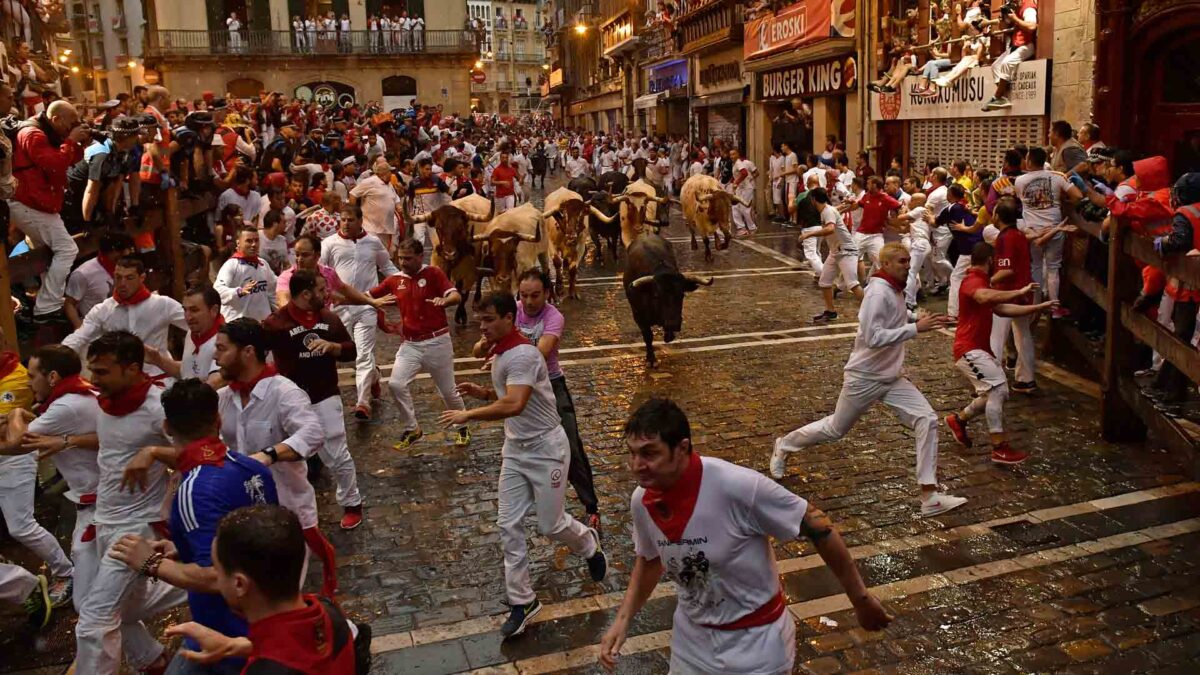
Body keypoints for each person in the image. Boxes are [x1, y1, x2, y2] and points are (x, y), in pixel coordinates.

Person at [599, 399, 891, 674]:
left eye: (650, 453)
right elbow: (650, 560)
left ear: (682, 448)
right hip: (692, 645)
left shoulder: (738, 486)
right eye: (633, 453)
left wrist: (860, 598)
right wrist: (623, 620)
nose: (637, 465)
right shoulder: (642, 500)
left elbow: (820, 527)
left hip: (757, 647)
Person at [440, 292, 607, 639]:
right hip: (516, 450)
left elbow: (515, 403)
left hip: (547, 449)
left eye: (488, 320)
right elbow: (510, 396)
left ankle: (588, 543)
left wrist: (468, 414)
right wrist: (484, 394)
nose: (481, 327)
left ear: (507, 318)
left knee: (550, 524)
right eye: (479, 320)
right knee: (508, 524)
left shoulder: (524, 355)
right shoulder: (502, 353)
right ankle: (523, 600)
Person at [772, 243, 968, 517]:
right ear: (885, 264)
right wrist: (915, 328)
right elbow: (873, 337)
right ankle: (784, 445)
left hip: (891, 377)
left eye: (908, 260)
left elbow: (896, 316)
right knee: (834, 430)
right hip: (864, 378)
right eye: (901, 261)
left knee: (927, 419)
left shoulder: (895, 288)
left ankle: (929, 495)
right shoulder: (877, 293)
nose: (907, 265)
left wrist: (922, 318)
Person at [108, 378, 278, 675]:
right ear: (218, 419)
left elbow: (216, 577)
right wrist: (181, 545)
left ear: (166, 428)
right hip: (264, 625)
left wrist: (152, 563)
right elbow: (250, 538)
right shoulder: (252, 468)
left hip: (225, 639)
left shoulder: (194, 489)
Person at [74, 331, 187, 673]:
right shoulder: (105, 402)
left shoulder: (159, 407)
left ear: (133, 368)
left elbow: (198, 453)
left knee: (95, 619)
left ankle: (202, 582)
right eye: (92, 370)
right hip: (103, 519)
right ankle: (153, 659)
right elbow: (112, 443)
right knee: (93, 604)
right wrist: (61, 440)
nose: (95, 379)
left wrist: (153, 452)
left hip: (137, 528)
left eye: (103, 372)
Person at [154, 505, 368, 673]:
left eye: (218, 571)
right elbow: (300, 649)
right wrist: (236, 646)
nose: (216, 579)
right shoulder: (328, 612)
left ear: (239, 584)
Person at [212, 318, 336, 597]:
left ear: (247, 352)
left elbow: (313, 433)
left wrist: (269, 455)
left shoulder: (284, 392)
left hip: (285, 515)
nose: (215, 356)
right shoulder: (221, 398)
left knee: (276, 601)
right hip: (240, 516)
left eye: (222, 349)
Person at [477, 270, 600, 529]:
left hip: (550, 384)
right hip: (518, 380)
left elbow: (541, 352)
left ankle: (591, 507)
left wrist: (507, 349)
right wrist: (487, 343)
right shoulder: (511, 311)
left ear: (547, 293)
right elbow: (480, 347)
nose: (529, 301)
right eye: (524, 295)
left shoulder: (553, 317)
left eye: (535, 295)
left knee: (572, 443)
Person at [3, 345, 101, 616]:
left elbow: (15, 442)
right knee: (95, 600)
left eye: (33, 375)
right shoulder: (71, 397)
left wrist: (14, 415)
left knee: (95, 602)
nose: (28, 380)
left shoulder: (66, 405)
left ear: (53, 377)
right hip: (95, 502)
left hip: (104, 505)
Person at [264, 270, 365, 530]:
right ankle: (290, 510)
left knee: (337, 453)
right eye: (321, 290)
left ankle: (352, 502)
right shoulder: (275, 323)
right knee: (286, 458)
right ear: (306, 294)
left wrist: (336, 348)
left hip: (324, 395)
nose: (327, 293)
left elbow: (351, 350)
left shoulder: (330, 320)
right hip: (289, 402)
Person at [946, 242, 1056, 465]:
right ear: (990, 261)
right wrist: (1019, 291)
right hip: (968, 349)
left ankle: (958, 420)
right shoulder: (973, 280)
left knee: (993, 393)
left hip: (975, 349)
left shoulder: (981, 281)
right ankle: (999, 446)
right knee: (997, 389)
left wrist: (1036, 308)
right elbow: (985, 297)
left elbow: (1002, 309)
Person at [372, 238, 470, 449]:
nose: (403, 263)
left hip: (437, 341)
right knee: (396, 384)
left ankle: (462, 426)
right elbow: (370, 295)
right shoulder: (394, 280)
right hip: (410, 345)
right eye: (400, 259)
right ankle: (412, 428)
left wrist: (446, 301)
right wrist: (348, 297)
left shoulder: (433, 273)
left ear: (420, 257)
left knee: (448, 391)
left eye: (408, 259)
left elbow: (454, 295)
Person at [0, 347, 75, 608]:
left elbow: (9, 435)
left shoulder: (18, 379)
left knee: (20, 525)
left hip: (14, 457)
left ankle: (66, 572)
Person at [11, 99, 91, 322]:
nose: (73, 127)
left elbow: (68, 160)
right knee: (67, 249)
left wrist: (76, 142)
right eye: (71, 123)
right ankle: (47, 306)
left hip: (37, 203)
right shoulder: (33, 135)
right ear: (56, 119)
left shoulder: (48, 132)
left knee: (47, 253)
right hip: (31, 203)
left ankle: (46, 303)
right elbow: (54, 164)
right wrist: (71, 141)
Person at [321, 204, 400, 421]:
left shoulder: (373, 243)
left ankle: (362, 402)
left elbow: (388, 269)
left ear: (359, 221)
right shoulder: (329, 244)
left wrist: (407, 282)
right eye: (343, 220)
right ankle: (374, 376)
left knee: (364, 354)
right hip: (339, 308)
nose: (345, 224)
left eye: (350, 220)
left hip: (367, 305)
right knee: (346, 353)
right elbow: (320, 272)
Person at [62, 257, 188, 378]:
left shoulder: (163, 304)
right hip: (120, 381)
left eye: (129, 278)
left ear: (142, 277)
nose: (122, 284)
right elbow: (79, 337)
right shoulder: (102, 309)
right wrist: (57, 355)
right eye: (118, 277)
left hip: (159, 376)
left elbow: (196, 325)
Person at [1013, 146, 1082, 316]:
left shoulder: (1020, 181)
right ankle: (1055, 308)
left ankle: (1035, 305)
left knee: (1036, 266)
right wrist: (1061, 198)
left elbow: (1020, 199)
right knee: (1053, 268)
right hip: (1055, 227)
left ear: (1028, 161)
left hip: (1033, 229)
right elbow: (1078, 196)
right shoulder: (1057, 178)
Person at [801, 188, 863, 324]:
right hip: (835, 252)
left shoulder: (827, 211)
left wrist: (808, 234)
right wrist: (845, 206)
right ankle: (831, 312)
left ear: (813, 200)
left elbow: (830, 229)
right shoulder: (828, 210)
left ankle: (875, 309)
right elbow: (837, 211)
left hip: (846, 251)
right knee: (824, 282)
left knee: (852, 284)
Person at [144, 285, 225, 387]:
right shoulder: (192, 333)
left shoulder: (224, 343)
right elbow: (186, 371)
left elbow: (214, 383)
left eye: (194, 310)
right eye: (185, 310)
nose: (188, 317)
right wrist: (157, 359)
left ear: (214, 310)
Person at [64, 230, 136, 329]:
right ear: (108, 252)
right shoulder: (83, 274)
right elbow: (69, 304)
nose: (124, 259)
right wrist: (79, 329)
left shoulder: (127, 266)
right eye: (120, 254)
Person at [982, 0, 1038, 110]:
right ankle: (1002, 96)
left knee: (1006, 63)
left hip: (1027, 45)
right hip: (1015, 45)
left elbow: (1032, 27)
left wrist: (1015, 19)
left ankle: (997, 96)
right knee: (995, 66)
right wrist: (1003, 17)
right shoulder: (1014, 8)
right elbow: (1003, 27)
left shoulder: (1028, 8)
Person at [349, 156, 402, 252]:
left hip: (386, 228)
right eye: (390, 172)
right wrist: (355, 214)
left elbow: (395, 199)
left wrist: (398, 206)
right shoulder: (370, 181)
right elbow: (353, 194)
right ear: (384, 173)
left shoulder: (389, 184)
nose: (392, 174)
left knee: (383, 256)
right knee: (370, 254)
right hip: (370, 227)